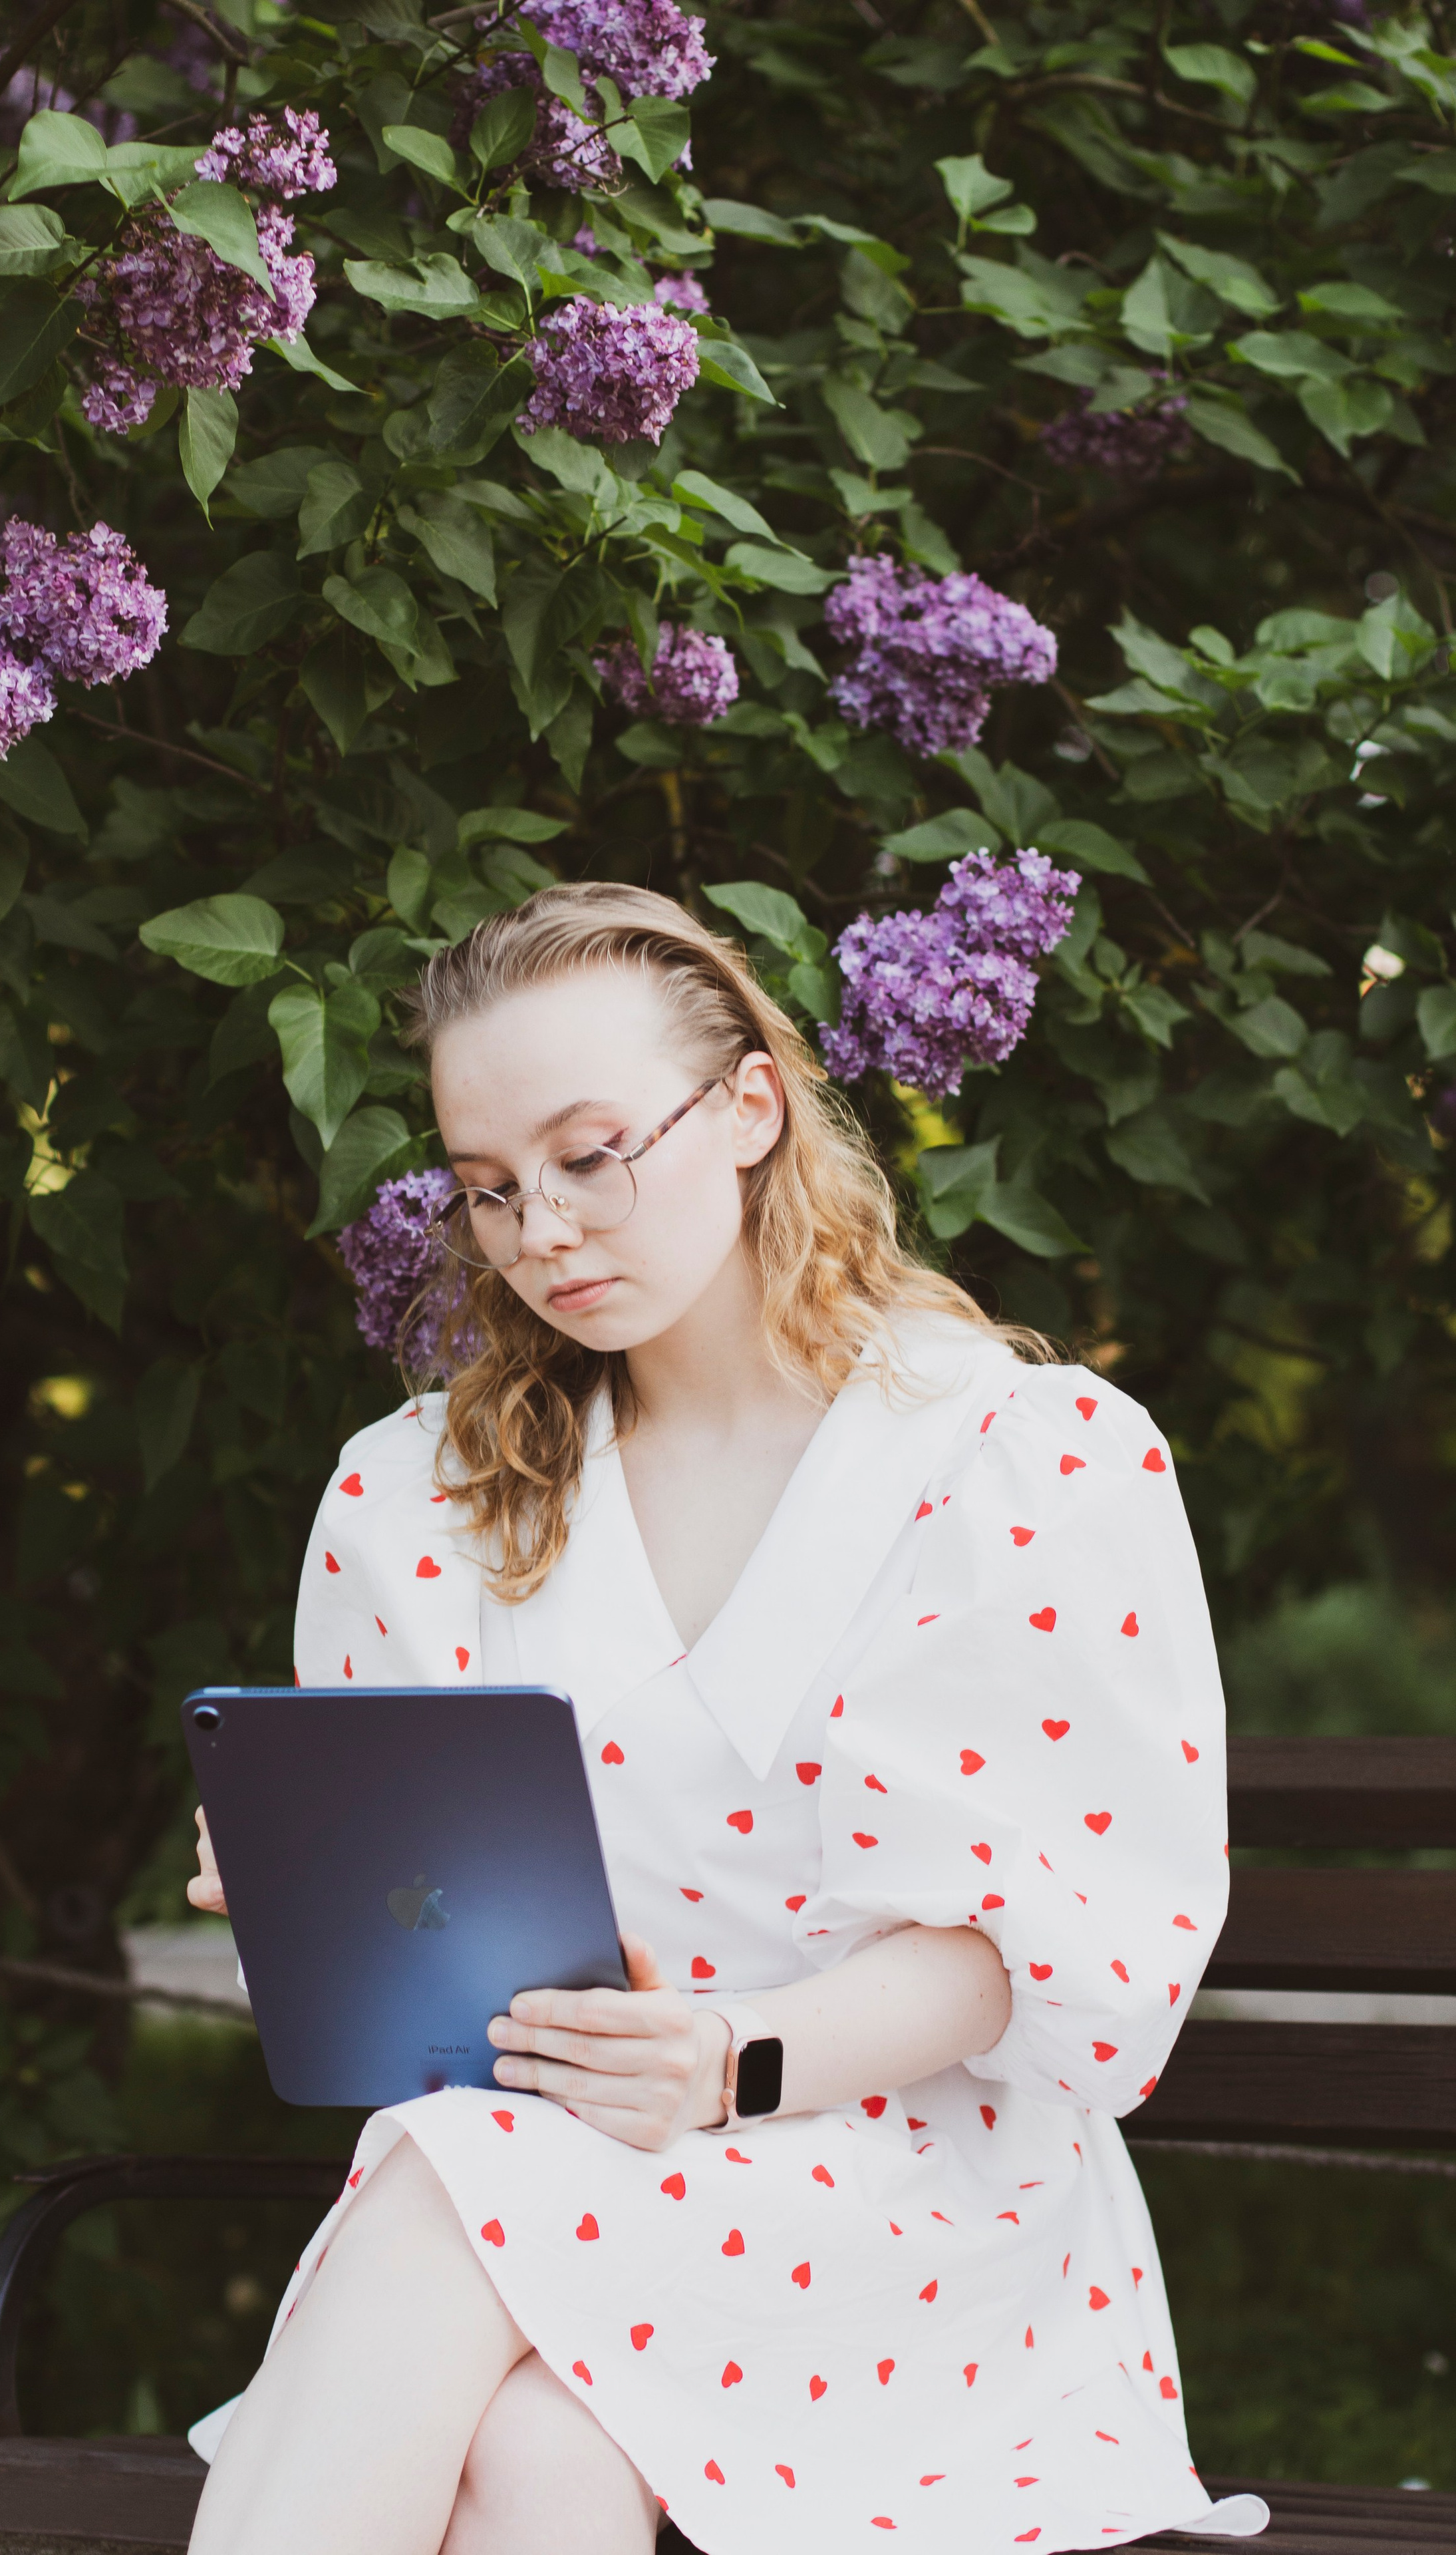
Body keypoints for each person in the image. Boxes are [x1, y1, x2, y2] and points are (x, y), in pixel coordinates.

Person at [184, 883, 1267, 2555]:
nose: (540, 1226)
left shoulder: (1008, 1461)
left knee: (445, 2179)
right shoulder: (417, 1491)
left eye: (590, 1151)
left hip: (904, 2194)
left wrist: (727, 2061)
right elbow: (413, 1976)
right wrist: (302, 1891)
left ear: (748, 1106)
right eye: (487, 1187)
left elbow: (1024, 1956)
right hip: (560, 2168)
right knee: (534, 2448)